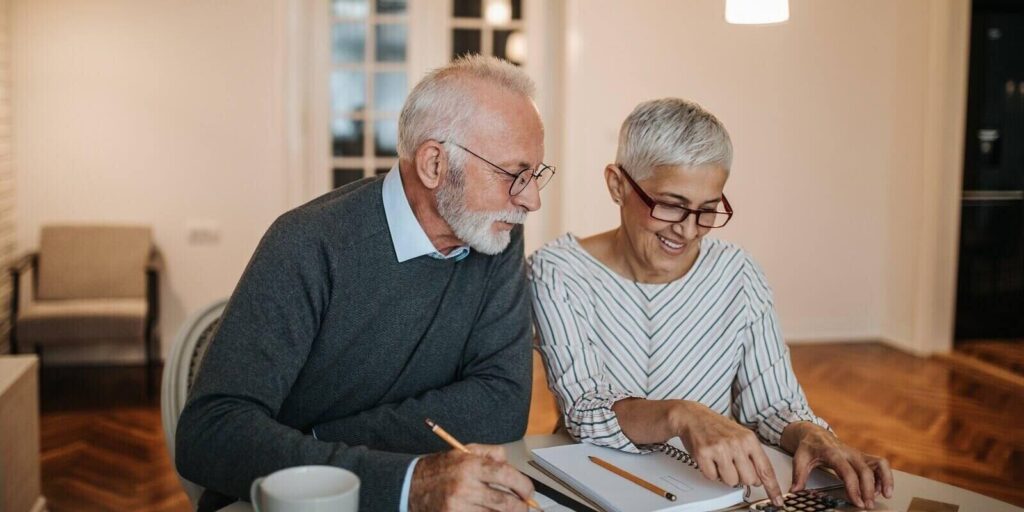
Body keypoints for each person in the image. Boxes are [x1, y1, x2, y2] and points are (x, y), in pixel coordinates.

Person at [176, 55, 556, 512]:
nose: (530, 200)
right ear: (434, 164)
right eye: (514, 174)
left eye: (535, 174)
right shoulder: (308, 243)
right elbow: (210, 433)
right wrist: (405, 481)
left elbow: (502, 404)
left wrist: (318, 443)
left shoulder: (495, 234)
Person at [529, 98, 892, 509]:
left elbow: (773, 404)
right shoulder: (558, 272)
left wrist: (813, 434)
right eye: (670, 204)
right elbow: (585, 410)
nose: (687, 231)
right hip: (595, 489)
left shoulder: (737, 273)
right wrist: (681, 415)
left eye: (707, 210)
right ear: (617, 185)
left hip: (716, 494)